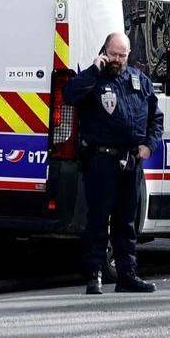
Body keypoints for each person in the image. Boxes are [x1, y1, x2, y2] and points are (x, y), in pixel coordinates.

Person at [64, 32, 163, 294]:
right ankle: (94, 275)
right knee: (98, 220)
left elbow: (156, 118)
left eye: (123, 55)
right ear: (104, 51)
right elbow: (70, 95)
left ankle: (127, 275)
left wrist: (148, 145)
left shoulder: (139, 80)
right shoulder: (93, 78)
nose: (118, 60)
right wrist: (94, 71)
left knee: (126, 222)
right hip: (101, 159)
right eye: (114, 54)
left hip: (130, 160)